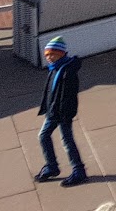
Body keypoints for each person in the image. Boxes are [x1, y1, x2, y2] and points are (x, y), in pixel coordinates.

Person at [33, 37, 87, 186]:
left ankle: (78, 171)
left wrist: (64, 114)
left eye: (52, 54)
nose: (49, 58)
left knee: (67, 141)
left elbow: (68, 96)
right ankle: (52, 166)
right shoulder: (55, 68)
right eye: (47, 55)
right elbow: (50, 91)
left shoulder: (67, 72)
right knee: (43, 136)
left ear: (61, 53)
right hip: (53, 112)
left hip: (62, 114)